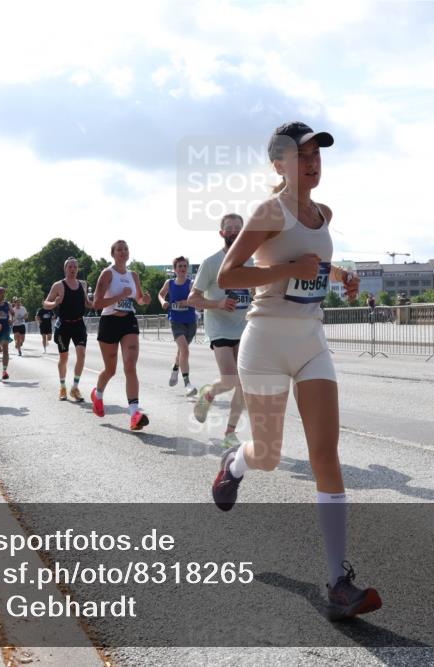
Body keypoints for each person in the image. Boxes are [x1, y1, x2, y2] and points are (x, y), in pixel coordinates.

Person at [211, 122, 380, 621]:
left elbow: (316, 264)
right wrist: (289, 271)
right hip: (263, 342)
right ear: (278, 163)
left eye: (317, 156)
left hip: (310, 343)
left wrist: (342, 275)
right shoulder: (269, 211)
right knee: (267, 455)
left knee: (326, 454)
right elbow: (229, 275)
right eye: (301, 155)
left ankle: (337, 584)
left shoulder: (323, 213)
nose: (312, 163)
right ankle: (234, 465)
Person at [188, 213, 251, 449]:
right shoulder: (211, 262)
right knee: (230, 378)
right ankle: (209, 392)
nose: (234, 231)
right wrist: (218, 304)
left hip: (243, 327)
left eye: (238, 228)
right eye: (230, 228)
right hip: (219, 326)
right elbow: (192, 299)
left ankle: (229, 433)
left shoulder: (251, 262)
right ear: (222, 233)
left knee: (244, 384)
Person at [91, 240, 152, 430]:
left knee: (130, 366)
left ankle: (134, 413)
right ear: (113, 253)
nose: (123, 252)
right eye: (119, 249)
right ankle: (98, 393)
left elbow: (139, 298)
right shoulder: (107, 273)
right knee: (110, 369)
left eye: (126, 248)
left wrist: (144, 300)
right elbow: (97, 303)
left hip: (128, 322)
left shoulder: (133, 275)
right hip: (109, 322)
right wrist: (119, 296)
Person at [44, 257, 93, 401]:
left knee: (81, 354)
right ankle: (62, 387)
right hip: (64, 326)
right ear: (65, 269)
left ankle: (75, 388)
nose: (73, 269)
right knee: (64, 358)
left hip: (78, 324)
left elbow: (87, 303)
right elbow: (46, 303)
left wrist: (98, 302)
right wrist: (54, 302)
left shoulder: (83, 284)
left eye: (75, 267)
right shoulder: (58, 285)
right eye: (70, 267)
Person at [158, 256, 198, 397]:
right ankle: (187, 383)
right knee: (185, 351)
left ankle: (175, 368)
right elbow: (161, 294)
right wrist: (163, 301)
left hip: (191, 322)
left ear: (187, 268)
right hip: (176, 321)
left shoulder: (191, 283)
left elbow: (198, 299)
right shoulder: (169, 283)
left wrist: (186, 302)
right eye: (179, 266)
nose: (182, 269)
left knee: (181, 352)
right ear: (175, 269)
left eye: (184, 266)